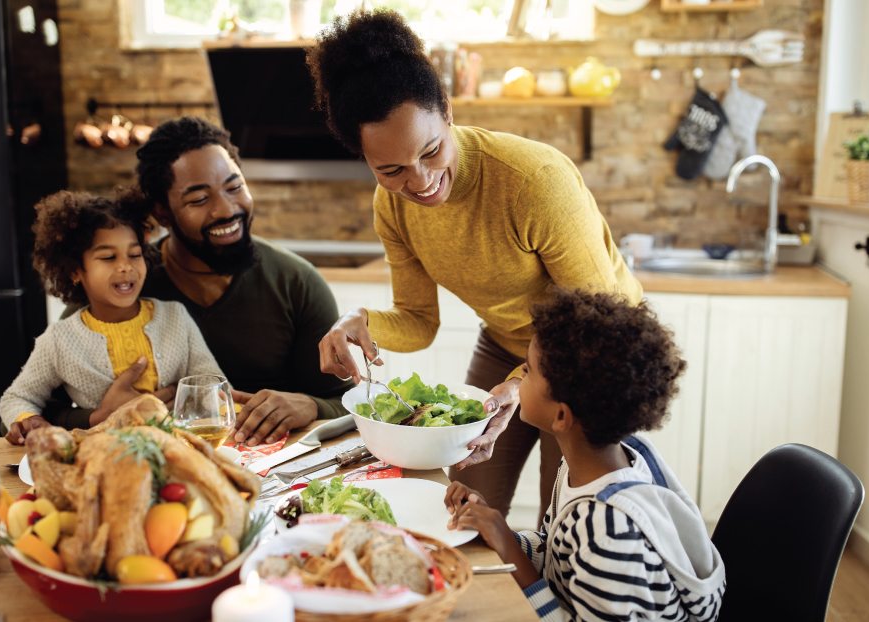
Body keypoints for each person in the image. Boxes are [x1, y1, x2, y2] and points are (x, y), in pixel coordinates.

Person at [311, 9, 643, 523]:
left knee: (570, 521)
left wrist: (526, 381)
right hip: (507, 343)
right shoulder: (391, 204)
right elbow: (420, 322)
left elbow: (597, 321)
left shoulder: (534, 182)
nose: (419, 182)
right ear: (365, 158)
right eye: (391, 169)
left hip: (591, 357)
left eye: (431, 150)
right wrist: (358, 323)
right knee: (463, 505)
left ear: (447, 109)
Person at [46, 117, 354, 446]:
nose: (226, 209)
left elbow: (347, 405)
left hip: (279, 476)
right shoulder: (122, 282)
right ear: (162, 213)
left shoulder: (298, 283)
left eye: (235, 187)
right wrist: (100, 416)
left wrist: (309, 405)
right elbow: (39, 408)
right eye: (198, 199)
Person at [444, 290, 726, 621]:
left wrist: (512, 555)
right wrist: (501, 531)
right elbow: (558, 554)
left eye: (530, 370)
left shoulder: (608, 530)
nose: (518, 374)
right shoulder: (594, 468)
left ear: (561, 417)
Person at [1, 189, 222, 444]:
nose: (125, 266)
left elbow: (212, 386)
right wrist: (28, 418)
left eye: (135, 254)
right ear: (74, 270)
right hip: (103, 455)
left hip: (177, 447)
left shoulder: (175, 317)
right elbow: (16, 397)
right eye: (108, 257)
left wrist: (191, 406)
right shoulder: (58, 341)